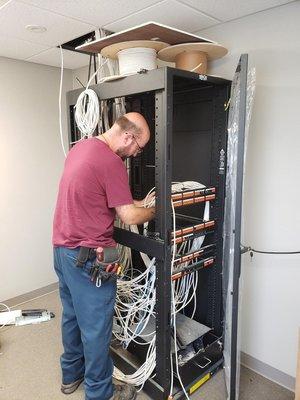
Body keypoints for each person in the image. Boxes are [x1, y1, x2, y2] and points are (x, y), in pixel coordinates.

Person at [52, 112, 155, 400]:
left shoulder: (82, 148)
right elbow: (129, 214)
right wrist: (157, 208)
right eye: (139, 147)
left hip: (62, 251)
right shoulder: (111, 162)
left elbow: (107, 195)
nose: (136, 153)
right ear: (127, 136)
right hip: (87, 259)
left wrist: (138, 201)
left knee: (72, 316)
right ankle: (100, 393)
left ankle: (70, 375)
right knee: (96, 329)